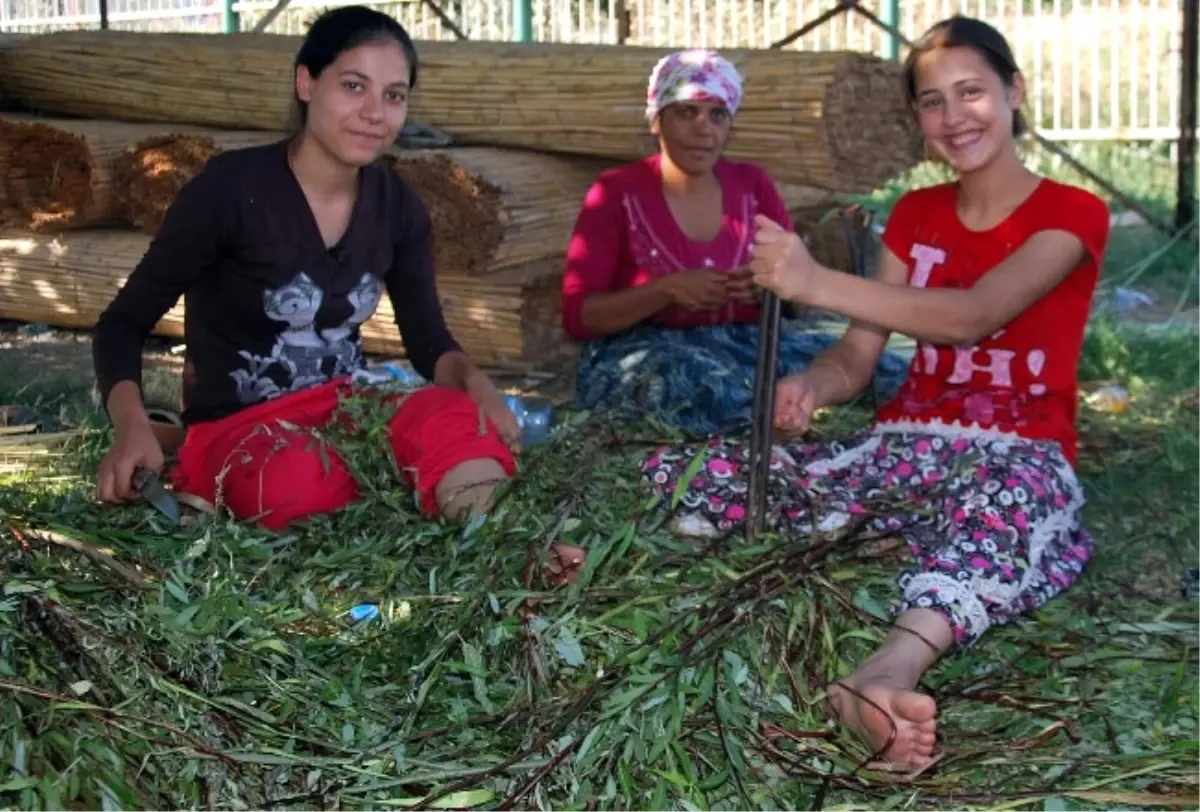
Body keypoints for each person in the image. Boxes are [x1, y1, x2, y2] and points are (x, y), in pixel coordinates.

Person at [642, 16, 1110, 767]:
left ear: (1014, 91)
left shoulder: (1071, 214)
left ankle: (885, 672)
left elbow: (973, 316)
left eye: (972, 93)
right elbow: (858, 359)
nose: (954, 118)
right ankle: (624, 559)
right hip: (906, 446)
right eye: (932, 102)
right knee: (703, 466)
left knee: (1001, 509)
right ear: (917, 118)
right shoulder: (915, 217)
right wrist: (809, 386)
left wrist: (815, 280)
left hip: (1019, 452)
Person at [92, 6, 521, 531]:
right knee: (294, 485)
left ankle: (505, 544)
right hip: (239, 426)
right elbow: (123, 323)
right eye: (353, 85)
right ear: (306, 82)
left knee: (455, 421)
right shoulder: (230, 191)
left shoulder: (397, 205)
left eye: (394, 95)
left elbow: (429, 342)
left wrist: (475, 383)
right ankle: (189, 451)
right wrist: (131, 427)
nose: (374, 112)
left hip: (348, 407)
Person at [560, 48, 908, 438]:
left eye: (717, 115)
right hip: (645, 354)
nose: (703, 129)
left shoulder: (752, 186)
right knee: (708, 389)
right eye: (686, 112)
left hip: (743, 344)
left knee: (893, 373)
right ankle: (786, 436)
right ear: (657, 120)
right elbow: (579, 316)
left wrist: (767, 288)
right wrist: (664, 292)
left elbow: (796, 301)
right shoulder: (615, 193)